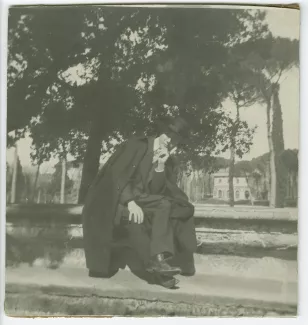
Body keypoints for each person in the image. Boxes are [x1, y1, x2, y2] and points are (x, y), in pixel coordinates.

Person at [82, 116, 198, 289]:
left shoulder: (168, 160)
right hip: (119, 200)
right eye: (170, 137)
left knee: (167, 205)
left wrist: (160, 165)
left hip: (143, 199)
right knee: (136, 222)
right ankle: (159, 273)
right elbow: (117, 176)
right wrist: (130, 202)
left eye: (176, 141)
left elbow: (158, 191)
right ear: (163, 133)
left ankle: (159, 259)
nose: (171, 142)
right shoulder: (137, 145)